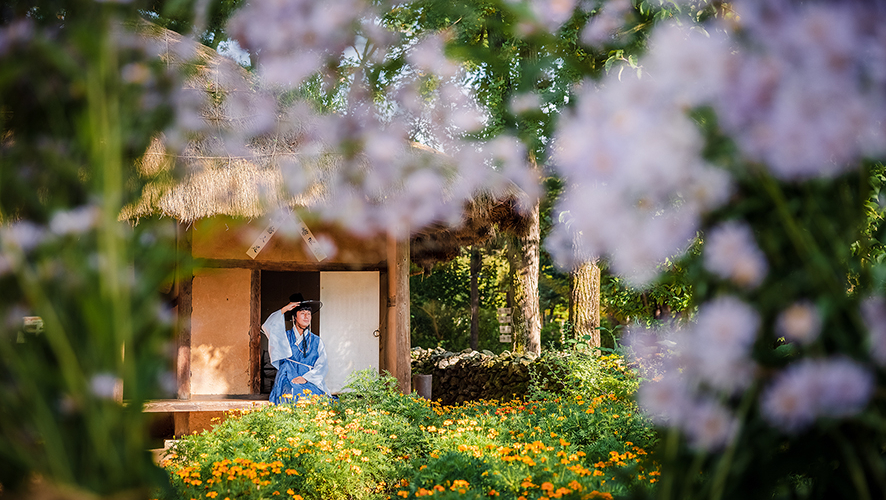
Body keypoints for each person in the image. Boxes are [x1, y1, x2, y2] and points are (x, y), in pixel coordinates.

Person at [261, 292, 331, 404]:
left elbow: (322, 365)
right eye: (302, 313)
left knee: (317, 397)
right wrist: (285, 309)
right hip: (287, 375)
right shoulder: (284, 337)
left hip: (309, 377)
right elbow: (267, 326)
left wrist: (306, 378)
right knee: (292, 393)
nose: (306, 316)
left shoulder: (317, 341)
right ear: (294, 317)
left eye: (309, 314)